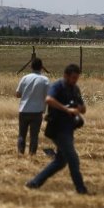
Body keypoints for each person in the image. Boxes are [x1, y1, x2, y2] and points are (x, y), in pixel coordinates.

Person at [25, 63, 88, 194]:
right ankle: (81, 189)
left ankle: (34, 183)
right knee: (73, 158)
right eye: (73, 78)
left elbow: (83, 108)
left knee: (60, 161)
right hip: (58, 129)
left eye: (77, 78)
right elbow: (48, 100)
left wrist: (79, 109)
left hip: (69, 128)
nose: (75, 80)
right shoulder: (58, 86)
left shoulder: (75, 89)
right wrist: (66, 109)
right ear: (66, 76)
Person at [15, 57, 49, 156]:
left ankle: (20, 153)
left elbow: (17, 94)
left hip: (24, 110)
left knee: (22, 134)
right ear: (42, 67)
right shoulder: (45, 80)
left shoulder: (25, 78)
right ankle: (32, 155)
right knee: (34, 135)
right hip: (37, 111)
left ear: (31, 67)